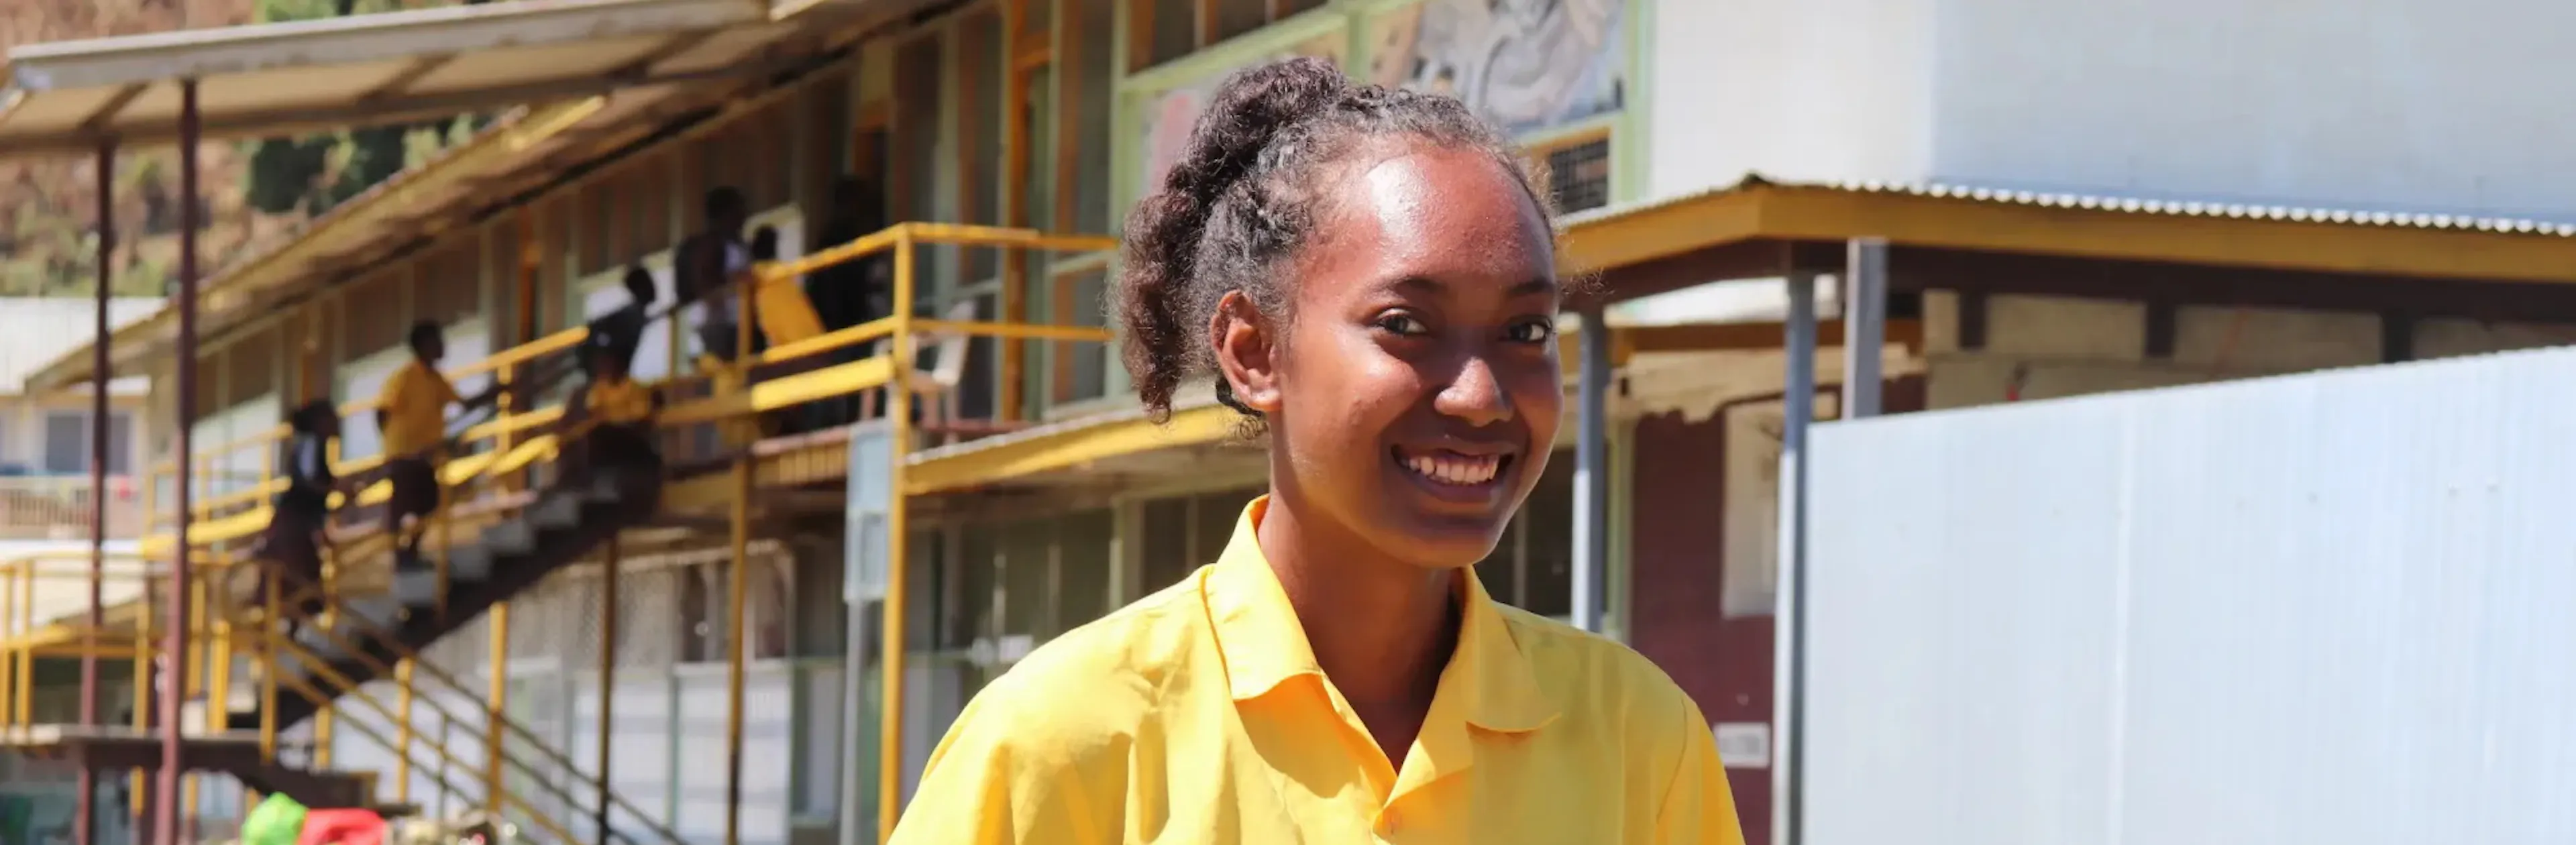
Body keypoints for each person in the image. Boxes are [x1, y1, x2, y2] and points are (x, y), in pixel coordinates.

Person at [888, 58, 1743, 844]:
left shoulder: (1639, 739)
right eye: (1405, 325)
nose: (1481, 394)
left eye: (1525, 330)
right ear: (1254, 352)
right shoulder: (1063, 740)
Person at [376, 321, 499, 571]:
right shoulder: (405, 377)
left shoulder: (437, 380)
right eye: (437, 341)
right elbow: (382, 412)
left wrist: (498, 392)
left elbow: (464, 405)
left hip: (426, 456)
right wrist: (394, 447)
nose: (443, 346)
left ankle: (408, 552)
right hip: (405, 455)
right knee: (404, 505)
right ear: (423, 346)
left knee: (430, 502)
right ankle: (398, 555)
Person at [262, 400, 340, 634]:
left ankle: (294, 633)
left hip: (298, 525)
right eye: (331, 417)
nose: (337, 421)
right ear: (319, 422)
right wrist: (337, 488)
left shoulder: (313, 444)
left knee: (299, 581)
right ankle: (294, 634)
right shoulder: (311, 443)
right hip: (293, 525)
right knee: (302, 579)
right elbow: (310, 480)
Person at [676, 186, 751, 367]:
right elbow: (705, 282)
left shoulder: (737, 244)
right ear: (724, 213)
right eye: (739, 211)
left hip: (737, 322)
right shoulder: (711, 244)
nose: (744, 218)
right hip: (723, 324)